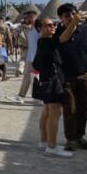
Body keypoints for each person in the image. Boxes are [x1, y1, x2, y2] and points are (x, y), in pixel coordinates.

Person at [55, 3, 87, 152]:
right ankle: (70, 139)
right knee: (70, 109)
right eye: (67, 15)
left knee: (83, 109)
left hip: (85, 77)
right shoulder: (58, 31)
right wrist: (73, 24)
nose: (71, 17)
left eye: (73, 14)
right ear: (61, 18)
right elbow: (63, 39)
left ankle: (79, 136)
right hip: (67, 77)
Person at [32, 17, 72, 158]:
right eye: (48, 25)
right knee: (54, 113)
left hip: (46, 80)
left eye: (54, 24)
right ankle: (52, 147)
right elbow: (65, 37)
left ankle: (44, 141)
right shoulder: (48, 42)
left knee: (47, 112)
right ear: (40, 29)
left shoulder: (41, 41)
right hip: (53, 81)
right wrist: (75, 21)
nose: (53, 27)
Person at [9, 11, 39, 103]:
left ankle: (39, 98)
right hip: (30, 57)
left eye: (27, 17)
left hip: (37, 57)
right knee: (27, 77)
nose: (25, 19)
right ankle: (21, 96)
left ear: (32, 17)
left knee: (37, 78)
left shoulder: (39, 28)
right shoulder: (27, 28)